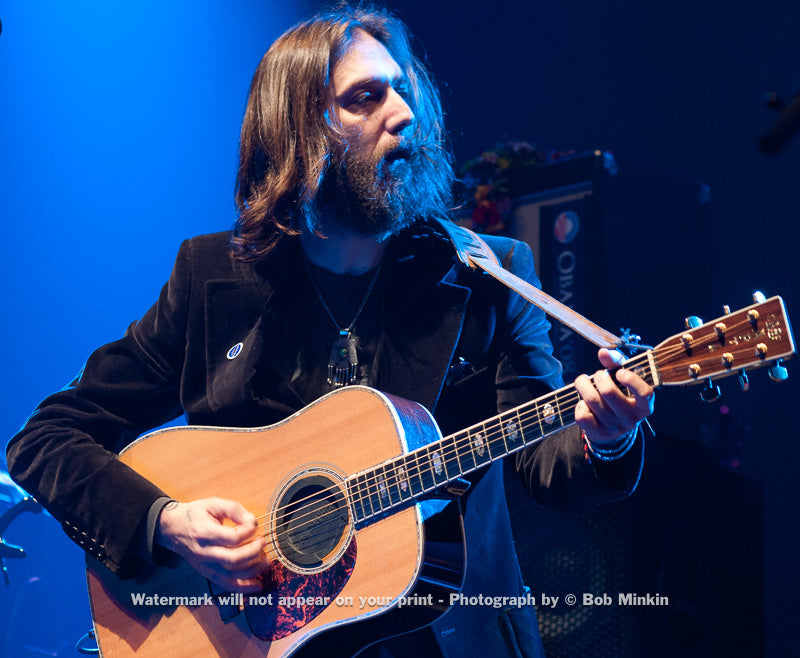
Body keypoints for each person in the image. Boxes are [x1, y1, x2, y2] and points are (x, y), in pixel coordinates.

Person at [6, 4, 654, 657]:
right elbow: (47, 438)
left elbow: (545, 464)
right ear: (298, 134)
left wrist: (607, 437)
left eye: (404, 90)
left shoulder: (488, 274)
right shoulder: (213, 280)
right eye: (365, 98)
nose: (403, 114)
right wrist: (168, 522)